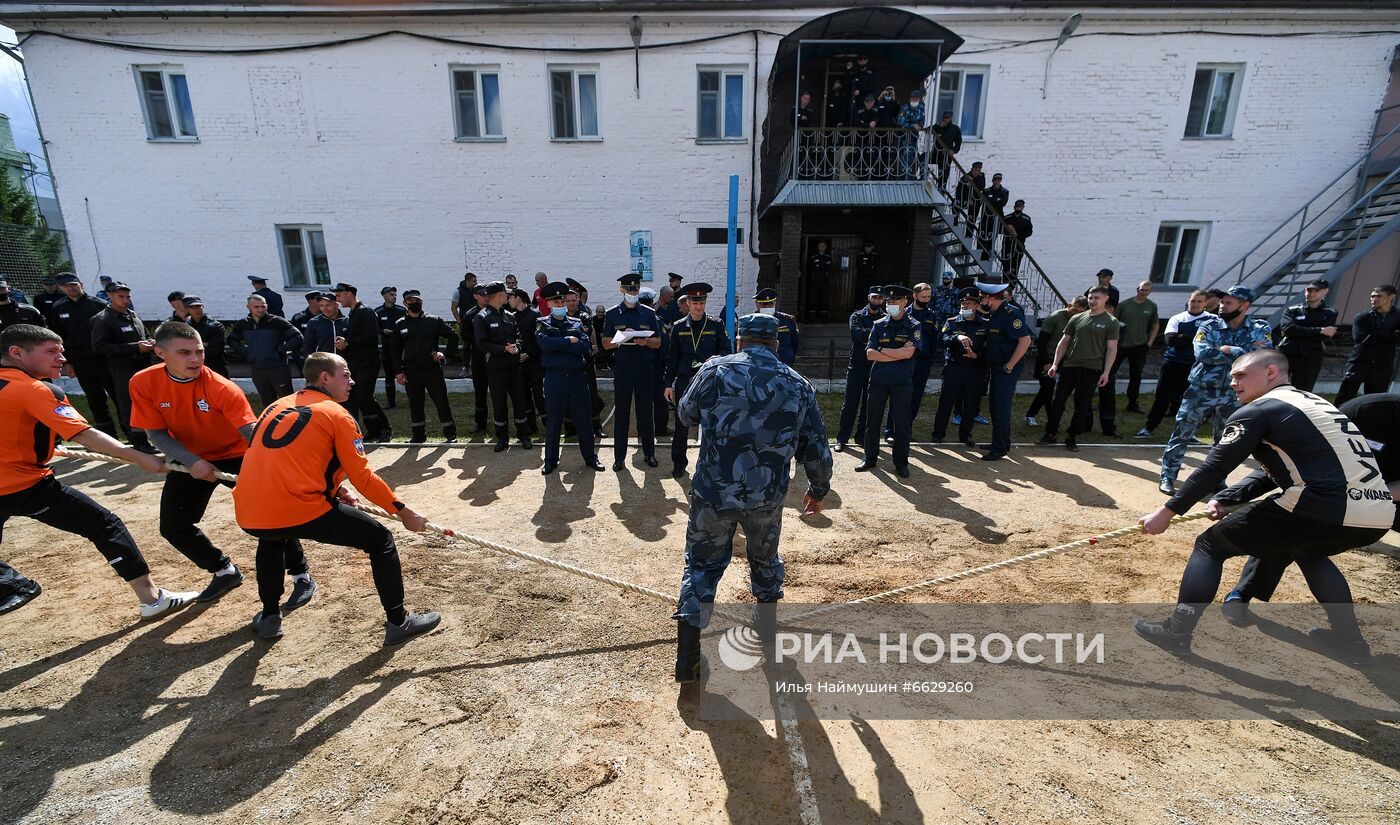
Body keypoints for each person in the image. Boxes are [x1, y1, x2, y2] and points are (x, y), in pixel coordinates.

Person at [1134, 350, 1393, 667]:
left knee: (1209, 546)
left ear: (1271, 372)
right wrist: (1229, 498)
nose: (1233, 382)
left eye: (1241, 375)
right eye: (1232, 376)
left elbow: (1214, 467)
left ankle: (1176, 632)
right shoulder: (1316, 405)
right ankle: (1351, 642)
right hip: (1377, 513)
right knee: (1308, 551)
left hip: (1322, 504)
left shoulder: (1259, 409)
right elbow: (1279, 469)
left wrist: (1167, 512)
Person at [232, 352, 440, 645]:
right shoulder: (337, 414)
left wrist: (334, 488)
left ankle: (269, 616)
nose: (352, 381)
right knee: (380, 540)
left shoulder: (275, 406)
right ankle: (399, 621)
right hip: (300, 507)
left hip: (250, 510)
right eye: (346, 374)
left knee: (272, 537)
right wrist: (403, 512)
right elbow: (363, 477)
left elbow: (288, 459)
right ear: (325, 378)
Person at [671, 313, 833, 682]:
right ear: (776, 343)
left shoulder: (714, 370)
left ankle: (687, 659)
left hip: (714, 492)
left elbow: (685, 414)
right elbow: (816, 446)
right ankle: (767, 637)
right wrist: (818, 489)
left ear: (740, 340)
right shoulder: (797, 383)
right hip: (766, 496)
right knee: (764, 560)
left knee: (701, 567)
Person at [0, 323, 199, 618]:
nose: (61, 358)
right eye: (52, 351)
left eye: (61, 351)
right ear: (17, 353)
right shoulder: (35, 390)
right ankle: (151, 599)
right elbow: (85, 435)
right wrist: (137, 456)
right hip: (22, 486)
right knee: (104, 524)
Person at [130, 321, 314, 607]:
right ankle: (223, 570)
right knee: (174, 526)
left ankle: (301, 575)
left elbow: (252, 434)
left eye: (199, 352)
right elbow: (156, 433)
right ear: (160, 353)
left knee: (273, 516)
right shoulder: (142, 382)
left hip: (239, 454)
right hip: (190, 457)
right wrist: (193, 462)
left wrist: (282, 466)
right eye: (184, 353)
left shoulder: (221, 387)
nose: (195, 359)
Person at [1222, 391, 1400, 629]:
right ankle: (1243, 593)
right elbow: (1295, 461)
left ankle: (1348, 636)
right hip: (1345, 491)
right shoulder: (1364, 411)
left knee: (1302, 540)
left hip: (1379, 494)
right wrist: (1230, 497)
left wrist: (1369, 495)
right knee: (1293, 529)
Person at [1158, 285, 1272, 495]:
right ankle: (1168, 476)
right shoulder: (1208, 325)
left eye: (1228, 302)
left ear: (1244, 306)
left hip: (1234, 393)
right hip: (1201, 389)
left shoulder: (1259, 327)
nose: (1222, 306)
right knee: (1182, 433)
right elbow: (1202, 354)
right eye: (1221, 301)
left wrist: (1227, 349)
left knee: (1226, 440)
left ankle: (1216, 480)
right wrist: (1243, 353)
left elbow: (1262, 356)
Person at [536, 282, 606, 474]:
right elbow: (545, 345)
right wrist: (568, 340)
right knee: (554, 420)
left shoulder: (576, 323)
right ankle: (550, 460)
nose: (560, 305)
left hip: (577, 378)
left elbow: (583, 346)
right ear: (549, 304)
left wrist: (560, 344)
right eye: (556, 302)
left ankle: (590, 457)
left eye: (562, 301)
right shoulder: (542, 323)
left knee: (584, 419)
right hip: (555, 378)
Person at [1041, 287, 1121, 452]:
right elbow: (1064, 341)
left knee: (1082, 405)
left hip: (1092, 369)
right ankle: (1050, 433)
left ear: (1106, 298)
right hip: (1070, 366)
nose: (1092, 301)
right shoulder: (1077, 318)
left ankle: (1072, 437)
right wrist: (1055, 363)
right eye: (1090, 297)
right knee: (1057, 401)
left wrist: (1106, 372)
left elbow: (1112, 349)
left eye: (1096, 298)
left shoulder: (1111, 322)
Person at [664, 283, 730, 477]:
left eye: (701, 302)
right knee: (681, 424)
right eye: (694, 302)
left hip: (709, 381)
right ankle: (679, 463)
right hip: (685, 382)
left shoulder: (716, 325)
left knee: (712, 424)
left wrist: (714, 362)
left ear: (705, 302)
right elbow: (672, 358)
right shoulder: (678, 327)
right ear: (688, 303)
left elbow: (726, 351)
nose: (698, 306)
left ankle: (711, 465)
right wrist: (668, 384)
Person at [45, 272, 120, 437]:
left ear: (81, 284)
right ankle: (108, 436)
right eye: (66, 286)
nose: (71, 288)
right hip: (81, 360)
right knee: (94, 398)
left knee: (117, 395)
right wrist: (67, 363)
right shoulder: (58, 308)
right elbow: (59, 336)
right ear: (61, 288)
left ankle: (132, 435)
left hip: (104, 359)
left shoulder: (99, 304)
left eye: (74, 285)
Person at [856, 285, 920, 477]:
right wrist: (897, 352)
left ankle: (901, 463)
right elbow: (870, 354)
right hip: (879, 380)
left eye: (895, 300)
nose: (891, 303)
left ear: (905, 302)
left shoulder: (914, 325)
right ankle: (870, 458)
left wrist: (882, 351)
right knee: (872, 420)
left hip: (902, 382)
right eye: (889, 300)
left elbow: (909, 353)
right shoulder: (879, 324)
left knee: (901, 423)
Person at [89, 281, 157, 453]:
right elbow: (99, 347)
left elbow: (143, 335)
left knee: (149, 402)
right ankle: (139, 442)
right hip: (122, 369)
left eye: (128, 297)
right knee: (129, 404)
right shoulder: (102, 319)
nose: (126, 300)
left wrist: (149, 342)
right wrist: (135, 347)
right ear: (109, 296)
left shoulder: (132, 314)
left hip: (142, 366)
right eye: (121, 297)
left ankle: (155, 438)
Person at [604, 273, 662, 470]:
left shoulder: (648, 313)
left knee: (645, 412)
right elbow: (605, 343)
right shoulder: (613, 314)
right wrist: (621, 338)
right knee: (622, 413)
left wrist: (646, 341)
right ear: (622, 289)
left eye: (635, 288)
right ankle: (619, 457)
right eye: (629, 289)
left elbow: (658, 342)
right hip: (623, 369)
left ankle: (649, 453)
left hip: (644, 368)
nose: (633, 292)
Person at [1137, 290, 1212, 438]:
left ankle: (1189, 433)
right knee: (1162, 397)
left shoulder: (1212, 320)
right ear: (1188, 301)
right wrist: (1196, 339)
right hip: (1172, 364)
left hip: (1196, 366)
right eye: (1193, 301)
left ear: (1205, 303)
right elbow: (1170, 340)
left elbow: (1213, 341)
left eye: (1199, 301)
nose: (1195, 304)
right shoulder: (1177, 318)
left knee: (1192, 400)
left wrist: (1185, 337)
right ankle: (1149, 428)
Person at [473, 281, 532, 451]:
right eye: (506, 293)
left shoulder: (509, 316)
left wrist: (517, 346)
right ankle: (502, 438)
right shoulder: (482, 317)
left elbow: (518, 336)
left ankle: (524, 435)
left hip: (514, 368)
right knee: (499, 405)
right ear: (499, 295)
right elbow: (482, 344)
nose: (508, 296)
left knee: (520, 403)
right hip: (496, 369)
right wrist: (503, 349)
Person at [977, 278, 1032, 461]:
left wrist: (1010, 365)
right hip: (997, 365)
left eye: (982, 298)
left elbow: (1025, 341)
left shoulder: (1011, 313)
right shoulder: (996, 313)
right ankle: (1000, 442)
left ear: (990, 298)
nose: (981, 301)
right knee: (995, 405)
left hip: (1006, 367)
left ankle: (999, 448)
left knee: (1001, 406)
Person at [392, 289, 457, 443]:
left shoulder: (433, 320)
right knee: (415, 403)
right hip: (411, 371)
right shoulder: (400, 324)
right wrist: (398, 372)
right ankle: (418, 436)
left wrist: (444, 354)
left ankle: (450, 435)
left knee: (441, 401)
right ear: (405, 303)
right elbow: (394, 350)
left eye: (417, 300)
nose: (415, 303)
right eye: (411, 301)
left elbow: (453, 336)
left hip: (432, 370)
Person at [334, 282, 393, 442]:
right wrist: (344, 342)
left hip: (368, 363)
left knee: (364, 396)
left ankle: (384, 427)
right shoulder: (353, 313)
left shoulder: (365, 311)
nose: (338, 300)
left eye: (339, 295)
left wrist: (348, 342)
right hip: (355, 363)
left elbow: (371, 337)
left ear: (349, 294)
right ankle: (373, 430)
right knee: (358, 398)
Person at [932, 288, 988, 446]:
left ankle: (965, 435)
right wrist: (957, 337)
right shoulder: (952, 322)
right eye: (963, 304)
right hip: (954, 367)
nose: (965, 306)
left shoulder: (984, 324)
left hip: (975, 369)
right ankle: (938, 433)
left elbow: (989, 348)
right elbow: (942, 340)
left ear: (976, 305)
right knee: (946, 401)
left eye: (969, 303)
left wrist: (977, 355)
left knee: (970, 403)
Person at [229, 294, 303, 411]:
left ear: (267, 306)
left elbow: (297, 337)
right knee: (267, 402)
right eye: (256, 307)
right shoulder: (243, 324)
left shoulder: (277, 321)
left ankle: (292, 419)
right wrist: (246, 352)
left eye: (263, 306)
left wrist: (282, 350)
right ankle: (271, 421)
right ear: (248, 307)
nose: (260, 309)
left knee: (287, 400)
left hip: (278, 368)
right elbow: (231, 340)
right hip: (258, 369)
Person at [834, 287, 885, 451]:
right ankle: (842, 438)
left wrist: (870, 335)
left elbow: (882, 338)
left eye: (880, 298)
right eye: (874, 297)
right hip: (856, 366)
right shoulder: (857, 316)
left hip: (875, 366)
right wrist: (877, 335)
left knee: (869, 406)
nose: (877, 300)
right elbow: (857, 335)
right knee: (850, 404)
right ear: (869, 297)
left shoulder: (885, 318)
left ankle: (861, 437)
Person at [1025, 296, 1087, 426]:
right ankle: (1052, 421)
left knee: (1047, 391)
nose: (1076, 314)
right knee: (1048, 391)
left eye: (1080, 312)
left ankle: (1031, 414)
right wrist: (1047, 362)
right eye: (1074, 310)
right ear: (1069, 306)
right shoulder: (1055, 317)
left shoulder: (1083, 320)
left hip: (1066, 362)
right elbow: (1042, 342)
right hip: (1048, 358)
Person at [1335, 284, 1400, 404]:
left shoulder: (1397, 316)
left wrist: (1374, 334)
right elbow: (1360, 338)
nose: (1374, 299)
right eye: (1372, 296)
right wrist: (1390, 335)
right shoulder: (1363, 316)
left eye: (1379, 296)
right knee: (1344, 397)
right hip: (1359, 361)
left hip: (1383, 363)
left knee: (1375, 401)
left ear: (1391, 297)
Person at [1277, 278, 1339, 393]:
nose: (1311, 293)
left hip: (1311, 355)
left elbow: (1327, 334)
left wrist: (1301, 330)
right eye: (1309, 290)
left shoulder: (1330, 312)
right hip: (1289, 352)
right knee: (1276, 386)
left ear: (1325, 291)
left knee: (1303, 391)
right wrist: (1319, 330)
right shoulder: (1293, 310)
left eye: (1316, 290)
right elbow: (1288, 329)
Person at [1108, 280, 1159, 418]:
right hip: (1121, 346)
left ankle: (1132, 403)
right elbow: (1113, 322)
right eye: (1142, 289)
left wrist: (1150, 342)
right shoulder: (1124, 304)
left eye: (1147, 290)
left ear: (1150, 292)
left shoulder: (1152, 306)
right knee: (1109, 373)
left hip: (1139, 346)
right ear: (1137, 289)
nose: (1143, 292)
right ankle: (1105, 402)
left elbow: (1155, 324)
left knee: (1136, 376)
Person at [510, 287, 546, 432]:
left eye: (511, 297)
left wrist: (528, 354)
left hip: (534, 360)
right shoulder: (512, 316)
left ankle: (547, 423)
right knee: (524, 395)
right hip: (518, 361)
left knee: (539, 394)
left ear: (518, 298)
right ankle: (531, 426)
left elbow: (539, 337)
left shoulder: (535, 314)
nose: (508, 300)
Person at [462, 284, 492, 434]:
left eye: (487, 294)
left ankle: (501, 421)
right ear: (475, 296)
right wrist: (479, 337)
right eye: (482, 295)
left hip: (495, 357)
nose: (486, 297)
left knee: (499, 391)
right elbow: (464, 334)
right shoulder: (470, 314)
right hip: (478, 358)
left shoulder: (495, 311)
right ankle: (480, 423)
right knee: (480, 392)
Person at [179, 295, 228, 377]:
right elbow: (182, 347)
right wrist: (203, 344)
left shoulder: (216, 326)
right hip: (192, 367)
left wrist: (192, 347)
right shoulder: (185, 327)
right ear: (187, 309)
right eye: (192, 307)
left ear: (203, 307)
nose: (196, 309)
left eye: (198, 306)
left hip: (215, 367)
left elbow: (215, 350)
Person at [376, 286, 406, 410]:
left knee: (407, 373)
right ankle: (390, 401)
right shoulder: (378, 312)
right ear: (384, 296)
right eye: (391, 295)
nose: (394, 297)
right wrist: (383, 331)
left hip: (401, 347)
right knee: (389, 375)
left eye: (395, 295)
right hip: (387, 348)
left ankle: (413, 397)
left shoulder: (401, 310)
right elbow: (375, 328)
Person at [754, 287, 799, 367]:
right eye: (764, 304)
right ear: (757, 304)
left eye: (770, 304)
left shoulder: (787, 320)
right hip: (760, 364)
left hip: (783, 363)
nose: (767, 307)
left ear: (775, 303)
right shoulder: (752, 322)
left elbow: (795, 342)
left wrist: (790, 356)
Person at [289, 290, 322, 375]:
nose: (321, 302)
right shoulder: (299, 318)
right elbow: (293, 337)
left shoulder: (326, 317)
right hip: (304, 355)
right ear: (310, 301)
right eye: (318, 300)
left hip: (322, 353)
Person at [896, 88, 926, 179]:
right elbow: (900, 122)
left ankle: (910, 175)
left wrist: (919, 126)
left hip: (914, 137)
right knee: (904, 156)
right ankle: (903, 177)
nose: (915, 100)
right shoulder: (904, 108)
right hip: (904, 137)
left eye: (917, 98)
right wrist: (912, 125)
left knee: (912, 156)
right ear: (910, 98)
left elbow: (922, 121)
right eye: (913, 98)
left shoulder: (921, 108)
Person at [1001, 200, 1033, 277]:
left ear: (1023, 207)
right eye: (1017, 206)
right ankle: (1005, 279)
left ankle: (1013, 282)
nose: (1018, 207)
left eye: (1020, 206)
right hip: (1007, 245)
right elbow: (1000, 229)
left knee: (1015, 266)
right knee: (1006, 265)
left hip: (1019, 245)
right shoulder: (1007, 217)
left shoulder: (1026, 219)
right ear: (1014, 207)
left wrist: (1017, 235)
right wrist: (1008, 229)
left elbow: (1029, 232)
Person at [930, 110, 962, 185]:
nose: (945, 119)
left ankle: (942, 187)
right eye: (944, 118)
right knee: (922, 158)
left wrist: (954, 151)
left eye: (947, 118)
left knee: (943, 175)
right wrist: (939, 126)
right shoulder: (938, 126)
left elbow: (958, 142)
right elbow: (928, 130)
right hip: (935, 153)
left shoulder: (955, 129)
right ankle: (924, 175)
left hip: (946, 156)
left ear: (951, 118)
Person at [805, 240, 833, 322]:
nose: (821, 248)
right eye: (820, 246)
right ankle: (812, 318)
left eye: (823, 246)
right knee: (813, 298)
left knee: (824, 299)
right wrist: (823, 266)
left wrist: (819, 266)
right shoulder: (814, 257)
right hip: (814, 280)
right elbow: (812, 267)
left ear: (825, 247)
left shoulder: (828, 257)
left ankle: (823, 318)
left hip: (824, 281)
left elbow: (829, 267)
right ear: (818, 247)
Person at [956, 161, 985, 229]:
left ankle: (969, 232)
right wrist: (967, 199)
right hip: (965, 199)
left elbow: (981, 186)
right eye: (975, 170)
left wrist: (972, 181)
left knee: (972, 219)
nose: (977, 172)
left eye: (978, 170)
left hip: (975, 201)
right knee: (955, 203)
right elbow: (959, 189)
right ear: (972, 169)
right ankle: (955, 221)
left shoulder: (981, 176)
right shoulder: (965, 177)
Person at [981, 173, 1009, 242]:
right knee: (982, 236)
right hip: (986, 216)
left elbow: (1002, 203)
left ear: (1001, 181)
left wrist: (991, 200)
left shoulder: (1005, 191)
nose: (997, 181)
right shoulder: (986, 191)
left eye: (999, 180)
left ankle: (989, 248)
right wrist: (996, 199)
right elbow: (984, 201)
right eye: (995, 179)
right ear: (992, 180)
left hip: (997, 217)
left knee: (993, 237)